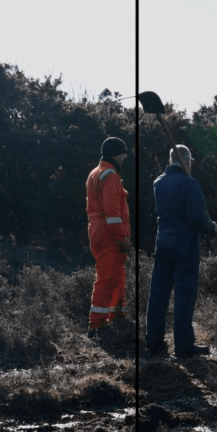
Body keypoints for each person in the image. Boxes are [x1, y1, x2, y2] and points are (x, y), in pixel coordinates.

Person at [145, 145, 217, 357]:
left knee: (158, 295)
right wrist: (211, 227)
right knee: (184, 296)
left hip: (163, 245)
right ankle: (184, 346)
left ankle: (154, 341)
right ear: (187, 161)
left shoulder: (158, 182)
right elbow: (197, 217)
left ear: (170, 160)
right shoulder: (189, 183)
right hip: (184, 247)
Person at [86, 137, 133, 345]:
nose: (125, 157)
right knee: (107, 278)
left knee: (114, 275)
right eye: (123, 153)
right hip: (108, 233)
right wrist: (121, 238)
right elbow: (112, 213)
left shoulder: (95, 173)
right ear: (117, 153)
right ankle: (96, 325)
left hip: (96, 230)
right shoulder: (111, 176)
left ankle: (115, 316)